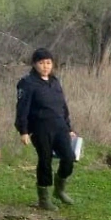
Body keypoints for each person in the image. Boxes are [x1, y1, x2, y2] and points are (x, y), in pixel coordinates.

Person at [14, 48, 78, 210]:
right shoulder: (27, 83)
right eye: (41, 63)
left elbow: (63, 106)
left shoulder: (54, 81)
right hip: (40, 129)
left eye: (48, 63)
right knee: (45, 160)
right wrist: (24, 131)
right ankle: (44, 199)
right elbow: (22, 109)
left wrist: (69, 127)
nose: (45, 66)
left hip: (60, 128)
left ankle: (59, 190)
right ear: (35, 64)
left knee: (69, 158)